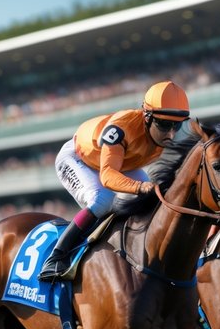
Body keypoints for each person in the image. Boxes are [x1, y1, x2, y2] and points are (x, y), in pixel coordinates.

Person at [38, 80, 191, 281]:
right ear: (146, 116)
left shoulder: (171, 134)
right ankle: (57, 256)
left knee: (153, 203)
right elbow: (108, 175)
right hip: (78, 158)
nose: (171, 133)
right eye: (163, 125)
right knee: (103, 199)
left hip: (122, 163)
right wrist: (141, 186)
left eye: (176, 125)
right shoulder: (122, 128)